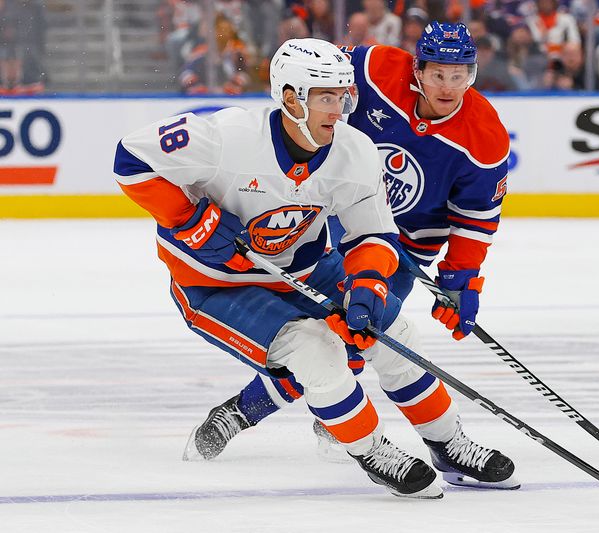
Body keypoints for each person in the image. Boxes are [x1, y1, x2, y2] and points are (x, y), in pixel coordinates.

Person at [115, 37, 515, 498]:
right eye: (327, 97)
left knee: (394, 334)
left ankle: (449, 444)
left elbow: (373, 235)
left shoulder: (355, 149)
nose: (340, 108)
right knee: (314, 352)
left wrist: (367, 285)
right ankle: (370, 449)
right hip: (216, 283)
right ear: (290, 97)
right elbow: (131, 158)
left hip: (304, 268)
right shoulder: (226, 136)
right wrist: (188, 219)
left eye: (344, 95)